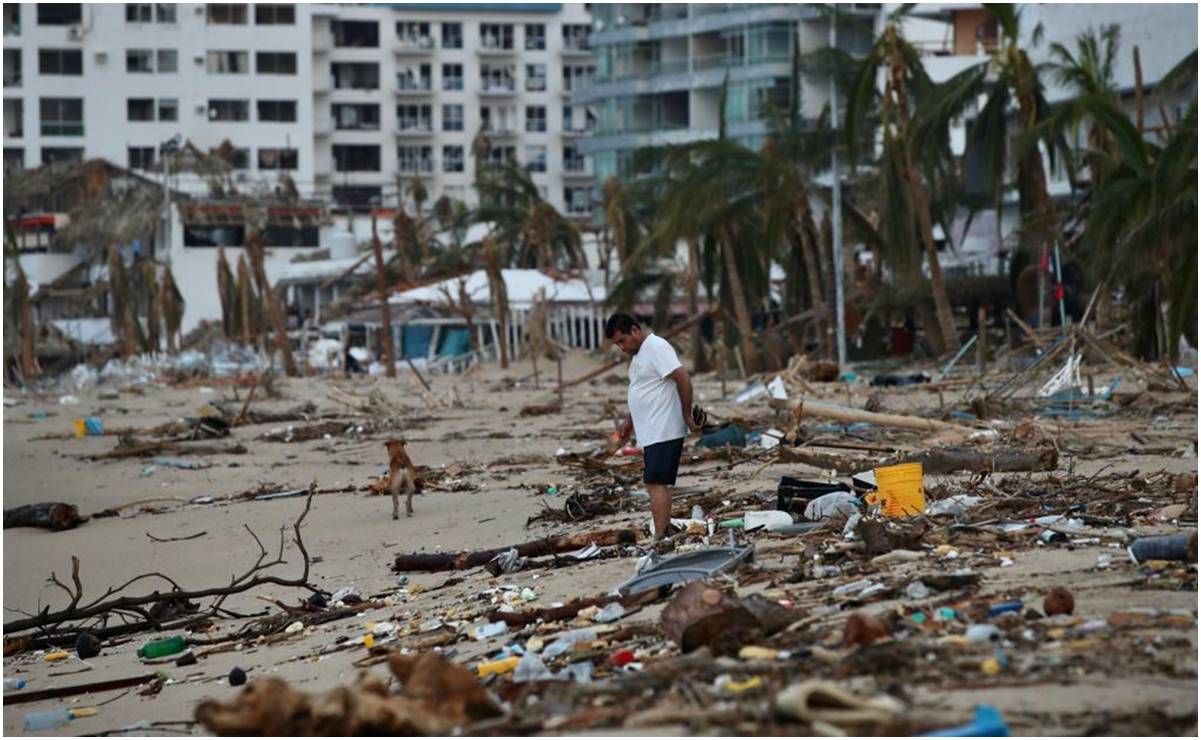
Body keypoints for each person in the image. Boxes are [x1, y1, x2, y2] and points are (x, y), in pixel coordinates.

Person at [605, 313, 700, 542]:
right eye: (617, 343)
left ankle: (660, 535)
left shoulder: (656, 347)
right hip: (651, 431)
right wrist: (630, 421)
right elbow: (644, 389)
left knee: (656, 481)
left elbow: (683, 378)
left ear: (635, 331)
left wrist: (687, 415)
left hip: (664, 427)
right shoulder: (639, 355)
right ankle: (663, 531)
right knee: (655, 482)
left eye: (622, 341)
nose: (620, 347)